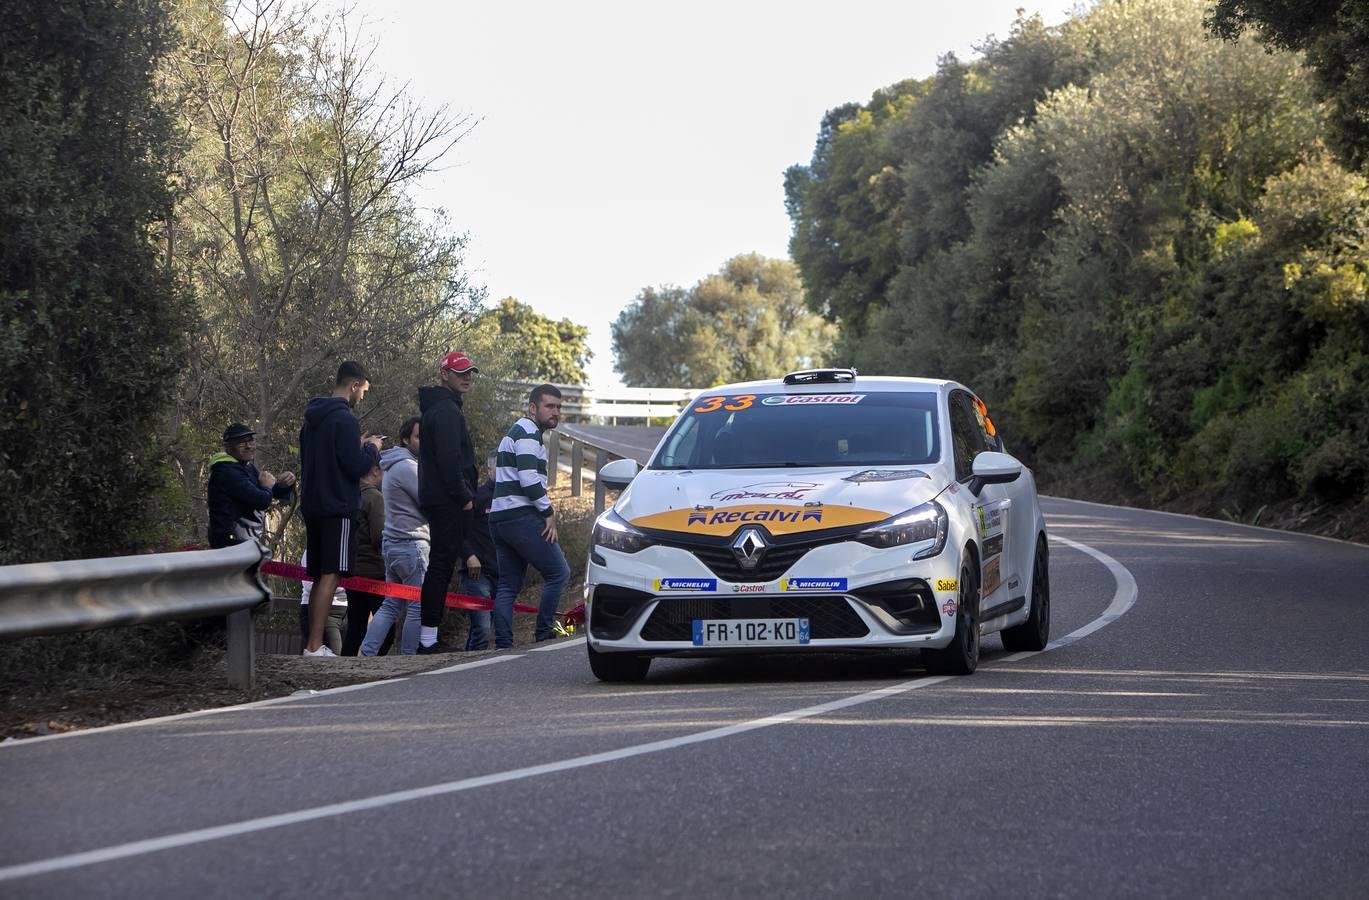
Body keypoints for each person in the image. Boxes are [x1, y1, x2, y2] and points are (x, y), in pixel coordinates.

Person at [299, 361, 382, 657]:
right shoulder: (345, 420)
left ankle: (312, 643)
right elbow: (356, 466)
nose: (363, 397)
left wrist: (354, 446)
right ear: (354, 385)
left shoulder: (312, 419)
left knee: (320, 575)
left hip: (313, 504)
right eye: (364, 390)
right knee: (332, 575)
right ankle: (314, 646)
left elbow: (319, 458)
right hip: (338, 506)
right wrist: (371, 448)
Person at [491, 384, 569, 648]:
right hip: (520, 517)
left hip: (499, 519)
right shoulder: (527, 432)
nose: (555, 412)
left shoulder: (517, 431)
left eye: (558, 407)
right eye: (549, 406)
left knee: (507, 586)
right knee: (559, 573)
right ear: (532, 408)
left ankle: (503, 646)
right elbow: (528, 479)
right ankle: (544, 635)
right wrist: (548, 512)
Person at [415, 352, 479, 654]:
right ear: (444, 375)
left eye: (469, 372)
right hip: (447, 501)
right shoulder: (446, 412)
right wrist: (465, 497)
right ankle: (427, 641)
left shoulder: (440, 409)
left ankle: (428, 638)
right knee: (440, 567)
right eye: (459, 372)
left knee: (439, 567)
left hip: (438, 498)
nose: (466, 377)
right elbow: (450, 461)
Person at [361, 417, 427, 656]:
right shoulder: (408, 467)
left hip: (393, 544)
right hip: (411, 544)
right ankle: (408, 658)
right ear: (406, 439)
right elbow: (428, 502)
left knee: (391, 603)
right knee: (417, 605)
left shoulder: (392, 465)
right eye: (419, 437)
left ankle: (367, 654)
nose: (425, 442)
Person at [206, 423, 295, 548]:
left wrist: (285, 483)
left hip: (247, 542)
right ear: (227, 447)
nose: (248, 446)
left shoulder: (245, 466)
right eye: (241, 443)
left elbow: (268, 492)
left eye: (251, 441)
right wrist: (267, 487)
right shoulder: (226, 471)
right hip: (230, 544)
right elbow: (261, 500)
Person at [342, 461, 387, 656]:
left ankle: (347, 663)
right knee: (385, 623)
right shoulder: (374, 497)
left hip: (352, 569)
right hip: (374, 570)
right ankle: (377, 662)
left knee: (356, 624)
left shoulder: (348, 495)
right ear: (376, 471)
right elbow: (378, 535)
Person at [461, 453, 500, 651]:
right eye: (498, 468)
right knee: (482, 630)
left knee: (495, 632)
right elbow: (458, 529)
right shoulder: (477, 496)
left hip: (503, 575)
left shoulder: (513, 499)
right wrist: (468, 555)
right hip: (478, 574)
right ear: (488, 470)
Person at [299, 550, 346, 654]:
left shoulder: (344, 552)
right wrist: (333, 584)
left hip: (345, 610)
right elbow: (309, 585)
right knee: (335, 655)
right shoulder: (311, 551)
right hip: (324, 612)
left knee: (346, 655)